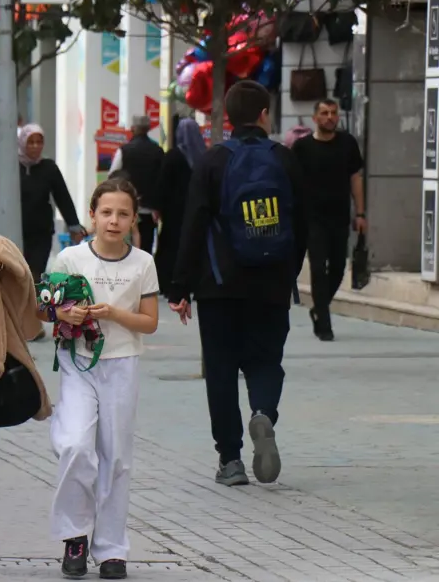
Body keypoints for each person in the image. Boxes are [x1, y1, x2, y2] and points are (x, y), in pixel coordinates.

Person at [167, 80, 308, 487]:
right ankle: (262, 412)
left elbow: (191, 226)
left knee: (222, 371)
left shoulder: (212, 161)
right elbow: (302, 226)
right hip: (271, 285)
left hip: (218, 286)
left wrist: (180, 287)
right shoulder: (285, 159)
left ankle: (230, 460)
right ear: (265, 114)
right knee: (266, 360)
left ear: (226, 117)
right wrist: (288, 272)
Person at [42, 178, 159, 580]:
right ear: (92, 215)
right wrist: (64, 314)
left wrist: (112, 314)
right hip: (78, 362)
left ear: (132, 219)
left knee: (117, 458)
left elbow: (149, 322)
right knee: (75, 444)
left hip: (122, 363)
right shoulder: (70, 258)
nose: (113, 221)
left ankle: (111, 549)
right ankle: (75, 534)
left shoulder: (143, 263)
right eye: (106, 212)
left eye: (123, 214)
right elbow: (45, 309)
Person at [292, 99, 365, 341]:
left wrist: (361, 213)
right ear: (315, 118)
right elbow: (292, 183)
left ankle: (318, 307)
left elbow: (356, 179)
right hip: (312, 219)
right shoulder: (302, 148)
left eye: (333, 113)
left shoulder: (347, 144)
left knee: (338, 268)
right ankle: (324, 322)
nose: (330, 117)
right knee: (317, 267)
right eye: (324, 113)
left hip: (339, 217)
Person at [18, 123, 85, 283]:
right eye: (31, 142)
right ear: (22, 143)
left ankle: (32, 306)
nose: (35, 146)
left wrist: (74, 225)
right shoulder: (12, 167)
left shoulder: (49, 167)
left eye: (39, 142)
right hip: (17, 232)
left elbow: (63, 197)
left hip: (41, 232)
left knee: (34, 273)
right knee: (17, 273)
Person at [153, 117, 206, 292]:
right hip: (196, 209)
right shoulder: (204, 157)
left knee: (170, 245)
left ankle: (169, 282)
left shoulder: (173, 156)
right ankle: (193, 280)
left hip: (173, 211)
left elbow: (162, 185)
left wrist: (158, 207)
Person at [108, 116, 165, 253]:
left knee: (124, 249)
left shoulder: (124, 150)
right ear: (148, 129)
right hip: (150, 211)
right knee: (145, 249)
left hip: (126, 209)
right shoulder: (158, 151)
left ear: (132, 129)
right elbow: (163, 180)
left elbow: (112, 176)